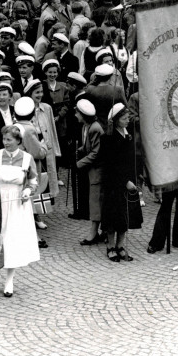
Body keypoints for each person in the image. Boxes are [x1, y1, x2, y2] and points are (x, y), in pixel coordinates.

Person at [0, 125, 40, 297]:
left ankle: (9, 280)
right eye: (4, 139)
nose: (6, 142)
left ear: (19, 141)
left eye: (9, 139)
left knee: (12, 242)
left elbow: (33, 181)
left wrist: (27, 191)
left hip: (17, 205)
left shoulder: (27, 158)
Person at [99, 104, 142, 262]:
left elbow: (132, 159)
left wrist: (135, 178)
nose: (127, 121)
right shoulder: (107, 138)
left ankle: (120, 245)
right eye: (124, 118)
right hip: (114, 183)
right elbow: (111, 165)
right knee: (112, 216)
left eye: (128, 118)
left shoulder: (128, 135)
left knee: (125, 216)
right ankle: (110, 246)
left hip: (129, 180)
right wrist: (125, 182)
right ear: (116, 120)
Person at [74, 99, 105, 246]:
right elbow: (88, 146)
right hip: (92, 170)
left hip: (98, 170)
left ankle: (94, 233)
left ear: (83, 115)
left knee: (96, 202)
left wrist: (79, 163)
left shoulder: (95, 128)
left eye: (77, 113)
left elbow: (96, 153)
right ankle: (100, 231)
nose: (75, 115)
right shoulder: (86, 127)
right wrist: (79, 150)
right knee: (95, 201)